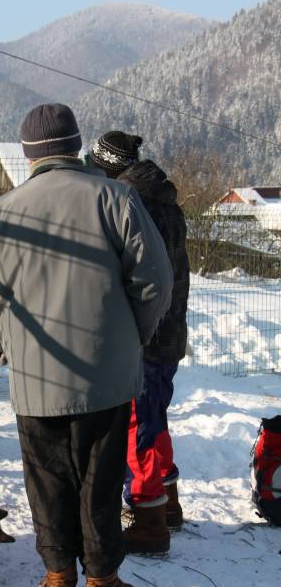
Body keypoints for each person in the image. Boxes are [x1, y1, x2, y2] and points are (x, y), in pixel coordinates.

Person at [0, 103, 173, 587]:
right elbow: (156, 282)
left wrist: (12, 343)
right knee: (100, 481)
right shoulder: (116, 197)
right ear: (77, 147)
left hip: (36, 376)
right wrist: (134, 336)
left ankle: (58, 582)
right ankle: (102, 584)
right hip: (107, 375)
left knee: (46, 480)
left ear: (30, 155)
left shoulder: (0, 213)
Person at [88, 131, 190, 555]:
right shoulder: (162, 199)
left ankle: (149, 519)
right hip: (169, 333)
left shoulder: (130, 203)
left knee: (137, 427)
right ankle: (167, 505)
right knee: (153, 417)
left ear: (109, 167)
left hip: (145, 335)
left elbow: (132, 275)